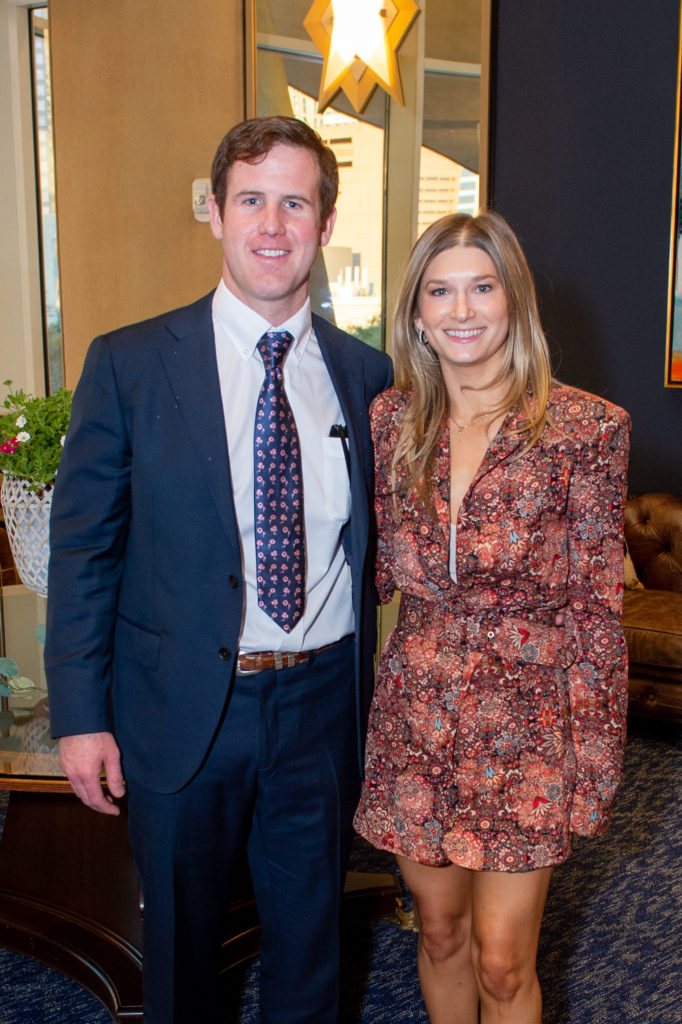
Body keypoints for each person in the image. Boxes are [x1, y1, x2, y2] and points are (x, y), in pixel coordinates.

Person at [44, 115, 393, 1024]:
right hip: (181, 711)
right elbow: (85, 549)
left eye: (294, 202)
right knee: (181, 958)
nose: (272, 225)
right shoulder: (127, 365)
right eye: (251, 201)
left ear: (323, 222)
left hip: (320, 711)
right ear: (215, 213)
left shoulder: (369, 375)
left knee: (311, 952)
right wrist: (82, 717)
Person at [353, 211, 630, 1024]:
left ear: (515, 302)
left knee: (505, 962)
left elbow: (595, 611)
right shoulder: (390, 421)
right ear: (415, 312)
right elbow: (368, 564)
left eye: (482, 287)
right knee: (437, 931)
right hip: (418, 712)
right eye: (440, 291)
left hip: (531, 722)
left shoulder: (586, 428)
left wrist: (597, 757)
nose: (462, 310)